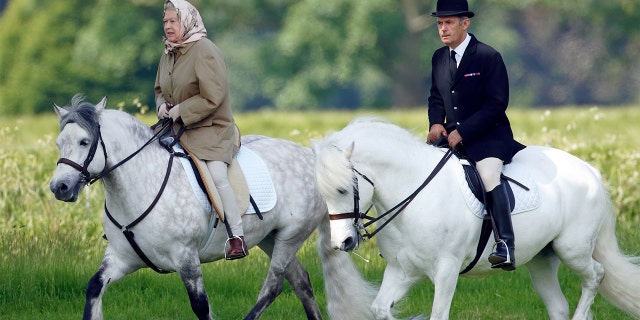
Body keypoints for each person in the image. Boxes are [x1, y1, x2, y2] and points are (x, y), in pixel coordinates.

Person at [426, 0, 525, 271]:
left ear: (465, 23)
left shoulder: (487, 56)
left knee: (490, 175)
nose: (443, 29)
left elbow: (496, 104)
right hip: (452, 136)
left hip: (488, 137)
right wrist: (436, 123)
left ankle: (505, 244)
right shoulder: (438, 57)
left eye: (448, 23)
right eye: (439, 23)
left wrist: (464, 131)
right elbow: (436, 97)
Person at [155, 0, 247, 260]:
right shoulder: (168, 52)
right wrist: (162, 107)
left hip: (211, 130)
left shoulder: (205, 50)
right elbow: (160, 90)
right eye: (165, 21)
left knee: (218, 176)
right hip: (175, 129)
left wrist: (181, 110)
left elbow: (213, 96)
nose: (168, 26)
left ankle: (236, 236)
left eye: (174, 21)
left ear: (187, 21)